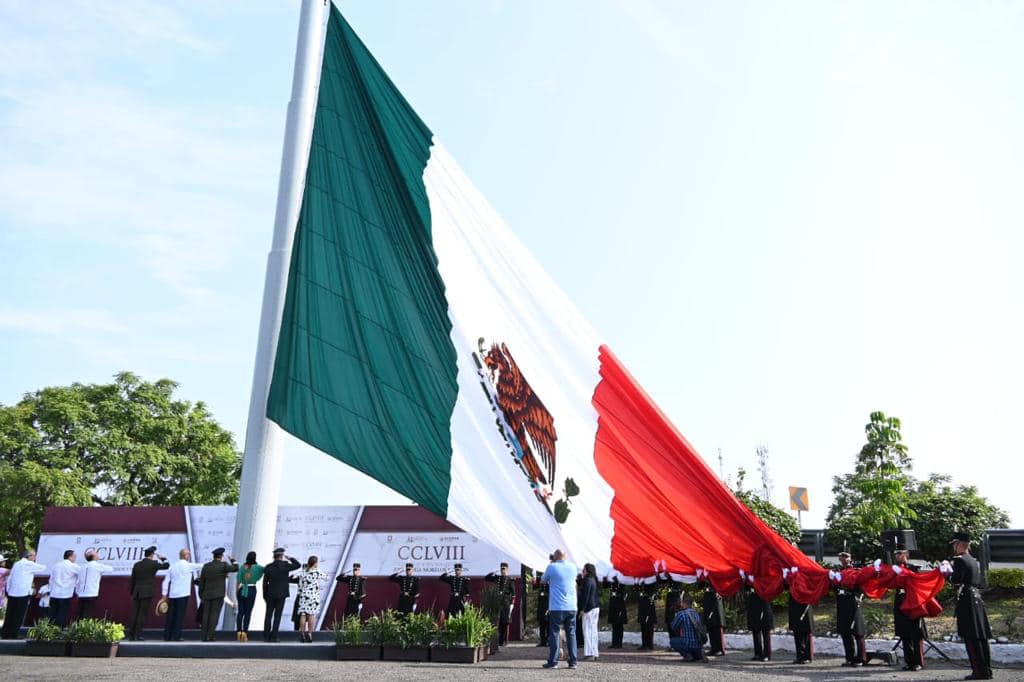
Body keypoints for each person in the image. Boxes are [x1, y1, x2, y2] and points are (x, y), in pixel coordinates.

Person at [947, 532, 993, 680]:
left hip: (967, 599)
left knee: (971, 637)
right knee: (981, 636)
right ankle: (986, 669)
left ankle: (978, 671)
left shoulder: (959, 560)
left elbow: (955, 580)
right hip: (976, 597)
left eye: (954, 544)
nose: (954, 547)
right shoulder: (972, 559)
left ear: (958, 544)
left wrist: (946, 573)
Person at [540, 549, 578, 669]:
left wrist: (551, 565)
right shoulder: (573, 567)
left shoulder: (552, 567)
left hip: (557, 606)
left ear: (555, 557)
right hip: (571, 606)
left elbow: (543, 580)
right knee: (571, 633)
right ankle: (573, 662)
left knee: (555, 633)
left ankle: (553, 661)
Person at [892, 547, 926, 672]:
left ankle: (918, 662)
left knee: (915, 633)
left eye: (900, 553)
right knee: (904, 632)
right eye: (896, 554)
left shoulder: (913, 568)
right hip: (900, 601)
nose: (898, 556)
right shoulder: (894, 569)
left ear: (906, 554)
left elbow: (917, 583)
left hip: (912, 602)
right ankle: (909, 661)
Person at [1, 550, 46, 639]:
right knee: (18, 615)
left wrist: (8, 590)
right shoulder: (28, 564)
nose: (35, 558)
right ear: (29, 556)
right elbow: (43, 568)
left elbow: (10, 578)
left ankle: (5, 633)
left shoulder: (16, 564)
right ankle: (13, 634)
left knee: (10, 614)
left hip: (12, 592)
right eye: (34, 556)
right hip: (22, 593)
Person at [127, 546, 169, 641]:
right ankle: (137, 635)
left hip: (137, 592)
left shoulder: (137, 564)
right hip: (147, 592)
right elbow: (166, 565)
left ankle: (131, 635)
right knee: (142, 614)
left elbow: (133, 579)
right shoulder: (153, 564)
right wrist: (163, 559)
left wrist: (132, 592)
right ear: (152, 555)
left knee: (135, 613)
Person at [197, 547, 239, 642]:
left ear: (214, 556)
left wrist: (201, 595)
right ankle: (210, 636)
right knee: (214, 615)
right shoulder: (223, 565)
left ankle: (203, 636)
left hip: (206, 595)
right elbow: (236, 568)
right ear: (221, 556)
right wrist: (233, 560)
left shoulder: (206, 566)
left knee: (206, 615)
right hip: (218, 595)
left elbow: (202, 582)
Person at [161, 548, 202, 642]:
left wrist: (164, 594)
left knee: (170, 616)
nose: (189, 556)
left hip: (172, 594)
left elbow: (165, 581)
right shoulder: (188, 565)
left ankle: (167, 636)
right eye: (188, 554)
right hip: (183, 594)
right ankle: (176, 636)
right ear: (185, 556)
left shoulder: (172, 566)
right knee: (179, 616)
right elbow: (201, 566)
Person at [835, 552, 867, 667]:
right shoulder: (837, 571)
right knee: (845, 631)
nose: (844, 559)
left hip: (852, 600)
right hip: (842, 601)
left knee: (857, 631)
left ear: (850, 558)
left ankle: (861, 658)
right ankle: (850, 657)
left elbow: (861, 586)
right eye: (842, 557)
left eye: (846, 557)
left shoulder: (856, 570)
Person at [262, 547, 300, 642]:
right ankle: (274, 636)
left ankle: (266, 636)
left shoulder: (268, 567)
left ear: (274, 556)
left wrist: (265, 595)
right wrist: (290, 558)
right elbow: (298, 565)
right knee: (277, 616)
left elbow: (265, 583)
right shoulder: (285, 565)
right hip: (282, 594)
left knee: (268, 615)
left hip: (270, 594)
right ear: (282, 556)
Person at [296, 555, 329, 643]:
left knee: (303, 615)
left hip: (303, 596)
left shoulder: (303, 572)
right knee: (311, 615)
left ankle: (302, 634)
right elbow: (327, 578)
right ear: (314, 563)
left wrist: (300, 593)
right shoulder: (317, 572)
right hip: (313, 597)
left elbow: (300, 585)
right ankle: (310, 634)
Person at [47, 549, 82, 627]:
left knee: (52, 613)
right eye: (74, 556)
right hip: (65, 593)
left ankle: (49, 630)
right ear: (70, 557)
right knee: (62, 613)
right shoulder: (73, 566)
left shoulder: (56, 565)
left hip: (54, 593)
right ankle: (58, 630)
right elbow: (82, 574)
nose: (75, 558)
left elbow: (51, 579)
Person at [75, 550, 114, 620]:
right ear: (94, 557)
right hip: (91, 593)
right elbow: (111, 569)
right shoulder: (97, 566)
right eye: (96, 553)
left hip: (81, 593)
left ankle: (78, 626)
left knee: (80, 613)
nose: (98, 554)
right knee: (87, 614)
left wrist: (77, 592)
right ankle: (83, 626)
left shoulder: (82, 567)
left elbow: (78, 581)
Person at [485, 562, 516, 645]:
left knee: (504, 622)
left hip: (505, 602)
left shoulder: (510, 580)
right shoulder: (497, 578)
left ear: (507, 570)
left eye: (504, 569)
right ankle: (496, 640)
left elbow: (513, 594)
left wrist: (512, 604)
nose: (503, 571)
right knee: (496, 621)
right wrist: (493, 572)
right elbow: (486, 578)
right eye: (501, 569)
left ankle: (502, 640)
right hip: (497, 601)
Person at [235, 551, 263, 640]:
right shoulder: (258, 567)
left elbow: (238, 581)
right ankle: (245, 632)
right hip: (251, 590)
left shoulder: (242, 567)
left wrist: (236, 591)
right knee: (248, 612)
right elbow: (264, 570)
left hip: (242, 589)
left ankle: (239, 632)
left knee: (240, 612)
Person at [669, 594, 705, 662]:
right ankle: (696, 655)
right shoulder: (696, 613)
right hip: (698, 646)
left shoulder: (682, 614)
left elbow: (673, 627)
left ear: (683, 603)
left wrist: (675, 616)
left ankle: (687, 655)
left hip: (687, 644)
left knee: (673, 641)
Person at [787, 576, 814, 664]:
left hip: (804, 601)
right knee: (797, 629)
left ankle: (807, 656)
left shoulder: (806, 573)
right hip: (794, 602)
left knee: (806, 630)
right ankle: (800, 655)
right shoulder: (792, 573)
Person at [745, 579, 773, 661]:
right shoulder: (750, 575)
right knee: (755, 628)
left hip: (763, 599)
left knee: (765, 628)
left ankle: (767, 654)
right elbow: (746, 586)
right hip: (753, 599)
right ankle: (758, 653)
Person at [578, 563, 600, 660]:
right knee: (593, 631)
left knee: (588, 631)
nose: (582, 572)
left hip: (589, 608)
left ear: (587, 571)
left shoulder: (587, 580)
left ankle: (590, 653)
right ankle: (594, 652)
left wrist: (582, 609)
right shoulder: (594, 579)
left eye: (583, 570)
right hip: (595, 607)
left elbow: (585, 596)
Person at [700, 578, 726, 656]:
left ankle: (720, 649)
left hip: (716, 596)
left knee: (717, 624)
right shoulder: (705, 574)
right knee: (710, 624)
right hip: (708, 597)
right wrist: (703, 578)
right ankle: (714, 648)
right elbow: (700, 585)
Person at [603, 576, 627, 649]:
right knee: (614, 623)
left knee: (619, 624)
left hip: (619, 602)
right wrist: (605, 579)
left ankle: (619, 643)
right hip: (613, 602)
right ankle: (614, 643)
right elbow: (605, 586)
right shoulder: (612, 579)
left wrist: (616, 579)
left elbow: (623, 588)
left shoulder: (621, 579)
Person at [635, 578, 657, 650]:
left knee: (649, 624)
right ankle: (644, 644)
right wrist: (637, 582)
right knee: (643, 623)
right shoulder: (640, 579)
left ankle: (650, 644)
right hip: (642, 602)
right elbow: (636, 589)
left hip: (649, 602)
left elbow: (653, 589)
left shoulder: (651, 579)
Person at [658, 570, 682, 635]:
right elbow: (660, 581)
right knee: (669, 617)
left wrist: (669, 574)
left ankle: (676, 635)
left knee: (675, 615)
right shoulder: (669, 573)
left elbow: (677, 580)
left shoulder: (678, 572)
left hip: (676, 596)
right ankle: (671, 634)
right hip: (670, 596)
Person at [534, 568, 550, 647]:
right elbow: (534, 586)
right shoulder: (540, 583)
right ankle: (542, 641)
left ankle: (548, 641)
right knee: (541, 624)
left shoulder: (550, 584)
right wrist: (534, 578)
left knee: (548, 625)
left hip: (548, 606)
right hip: (541, 607)